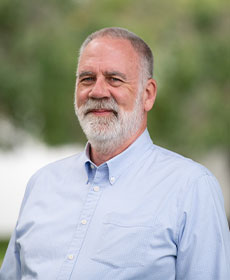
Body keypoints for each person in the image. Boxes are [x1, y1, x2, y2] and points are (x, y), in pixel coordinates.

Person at [0, 27, 229, 280]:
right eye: (87, 79)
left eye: (114, 79)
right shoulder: (42, 184)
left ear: (148, 94)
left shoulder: (191, 188)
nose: (97, 92)